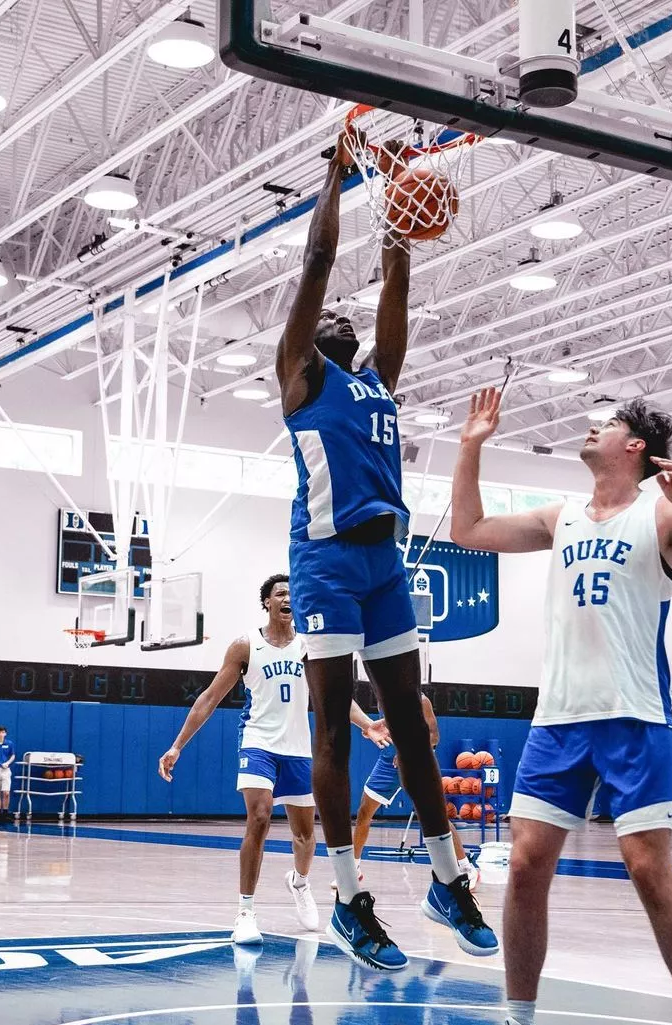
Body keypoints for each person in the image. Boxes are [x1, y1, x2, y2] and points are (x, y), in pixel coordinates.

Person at [453, 387, 672, 1025]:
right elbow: (468, 531)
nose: (591, 426)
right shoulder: (563, 516)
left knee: (650, 871)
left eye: (606, 422)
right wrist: (470, 448)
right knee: (525, 869)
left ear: (634, 446)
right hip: (558, 716)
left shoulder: (662, 510)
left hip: (633, 714)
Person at [275, 129, 496, 970]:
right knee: (334, 730)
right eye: (327, 318)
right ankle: (348, 898)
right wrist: (338, 175)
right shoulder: (302, 373)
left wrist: (402, 208)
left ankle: (447, 881)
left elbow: (392, 281)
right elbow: (320, 263)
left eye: (344, 321)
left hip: (384, 566)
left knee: (411, 724)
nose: (336, 319)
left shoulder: (378, 376)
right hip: (325, 562)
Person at [157, 573, 390, 945]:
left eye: (293, 595)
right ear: (266, 602)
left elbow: (333, 696)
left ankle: (299, 882)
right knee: (260, 816)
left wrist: (366, 725)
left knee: (305, 835)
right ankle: (246, 912)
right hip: (258, 743)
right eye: (281, 594)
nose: (288, 599)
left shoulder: (308, 647)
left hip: (298, 749)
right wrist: (177, 745)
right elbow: (209, 698)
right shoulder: (245, 645)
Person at [350, 695, 479, 891]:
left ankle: (466, 867)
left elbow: (434, 736)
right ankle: (353, 869)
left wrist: (407, 752)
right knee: (363, 813)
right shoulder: (382, 696)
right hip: (388, 763)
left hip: (418, 761)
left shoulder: (420, 699)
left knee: (436, 817)